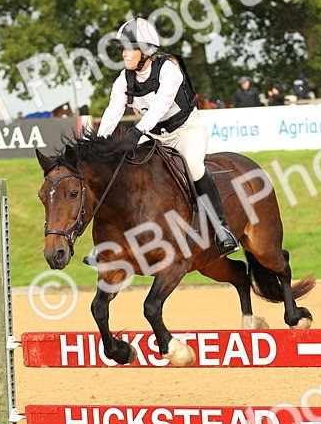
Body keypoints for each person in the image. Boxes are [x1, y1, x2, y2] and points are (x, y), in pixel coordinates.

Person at [96, 17, 237, 256]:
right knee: (122, 169)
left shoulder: (169, 70)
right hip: (153, 136)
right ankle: (112, 241)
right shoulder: (123, 80)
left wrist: (137, 131)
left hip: (185, 131)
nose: (124, 54)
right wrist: (99, 142)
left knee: (194, 166)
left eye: (130, 48)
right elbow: (113, 111)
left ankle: (221, 228)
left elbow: (160, 107)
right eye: (123, 49)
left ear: (146, 50)